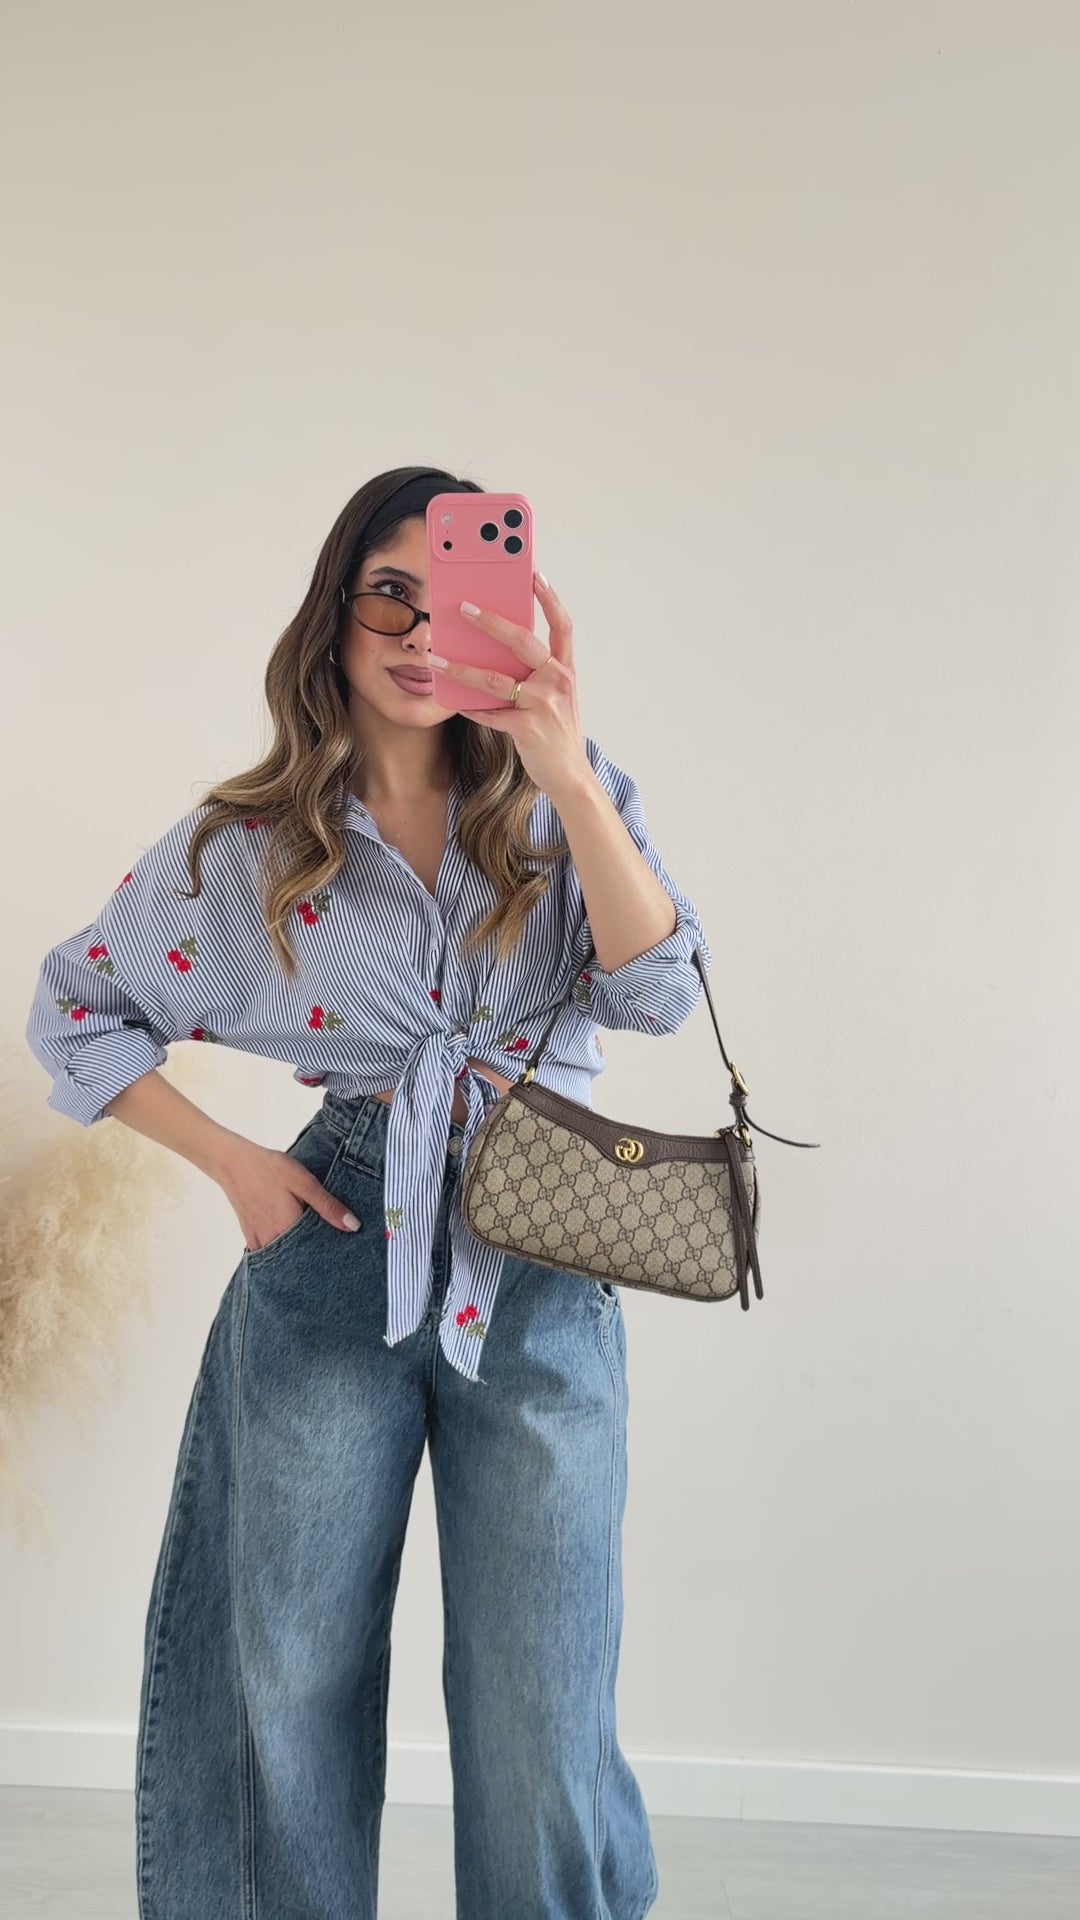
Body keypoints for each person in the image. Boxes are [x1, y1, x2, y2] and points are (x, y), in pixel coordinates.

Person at [24, 465, 711, 1919]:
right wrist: (236, 1165)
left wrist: (568, 765)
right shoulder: (247, 844)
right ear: (332, 620)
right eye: (387, 594)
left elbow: (657, 994)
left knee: (545, 1693)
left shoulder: (563, 805)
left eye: (457, 599)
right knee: (285, 1671)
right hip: (335, 1236)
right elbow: (77, 1009)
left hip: (542, 1249)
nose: (417, 631)